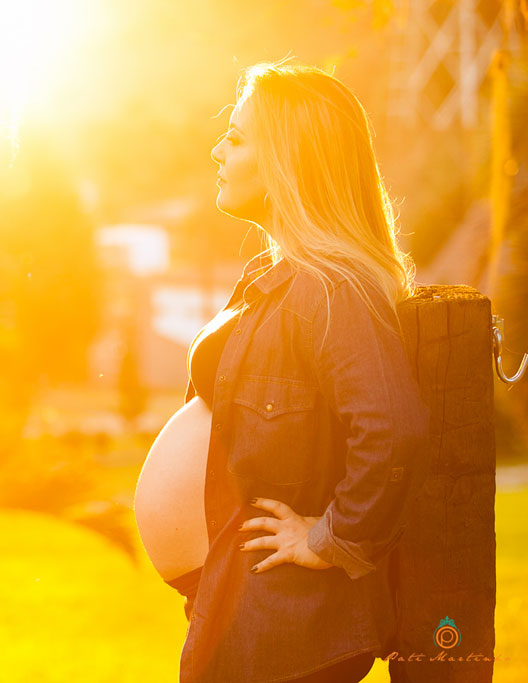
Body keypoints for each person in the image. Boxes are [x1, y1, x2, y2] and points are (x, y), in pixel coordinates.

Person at [173, 60, 430, 683]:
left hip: (288, 626)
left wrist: (327, 539)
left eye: (235, 139)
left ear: (288, 161)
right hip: (243, 605)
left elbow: (393, 429)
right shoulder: (276, 279)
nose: (216, 150)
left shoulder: (333, 291)